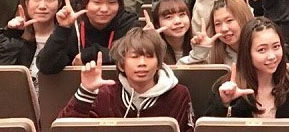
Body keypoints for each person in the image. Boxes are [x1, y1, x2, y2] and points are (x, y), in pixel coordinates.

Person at [58, 28, 195, 132]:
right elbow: (65, 129)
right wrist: (86, 91)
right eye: (134, 57)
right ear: (121, 65)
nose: (142, 63)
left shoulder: (178, 94)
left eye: (149, 56)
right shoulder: (105, 94)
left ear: (159, 63)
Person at [37, 0, 138, 74]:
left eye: (112, 3)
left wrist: (88, 55)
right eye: (97, 2)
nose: (104, 9)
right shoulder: (74, 24)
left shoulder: (129, 23)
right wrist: (62, 29)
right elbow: (46, 66)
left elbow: (131, 55)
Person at [205, 17, 289, 118]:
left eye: (276, 47)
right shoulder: (227, 87)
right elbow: (209, 124)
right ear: (247, 53)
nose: (272, 56)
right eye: (262, 50)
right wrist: (224, 103)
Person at [183, 0, 253, 65]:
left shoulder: (258, 47)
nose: (224, 29)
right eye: (217, 24)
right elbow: (180, 69)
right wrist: (200, 53)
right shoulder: (211, 53)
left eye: (229, 20)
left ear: (244, 18)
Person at [151, 0, 192, 64]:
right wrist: (148, 40)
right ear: (157, 24)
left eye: (182, 15)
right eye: (169, 17)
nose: (177, 21)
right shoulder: (153, 49)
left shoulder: (198, 45)